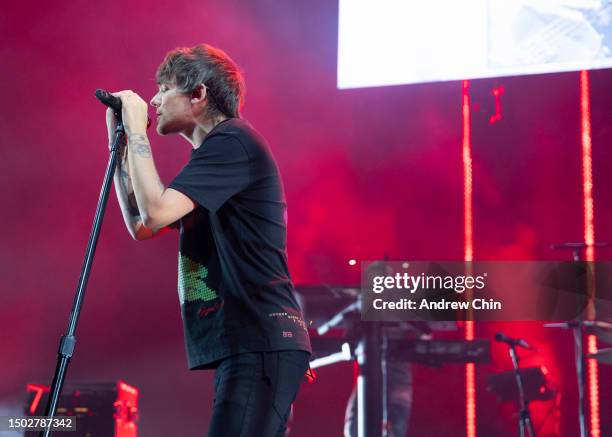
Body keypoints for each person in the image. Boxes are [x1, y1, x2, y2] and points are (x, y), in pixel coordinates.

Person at [107, 43, 312, 437]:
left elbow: (156, 211)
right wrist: (118, 149)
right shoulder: (215, 156)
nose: (154, 99)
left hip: (261, 338)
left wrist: (136, 131)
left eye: (165, 88)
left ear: (198, 93)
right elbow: (142, 226)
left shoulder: (233, 143)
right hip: (249, 343)